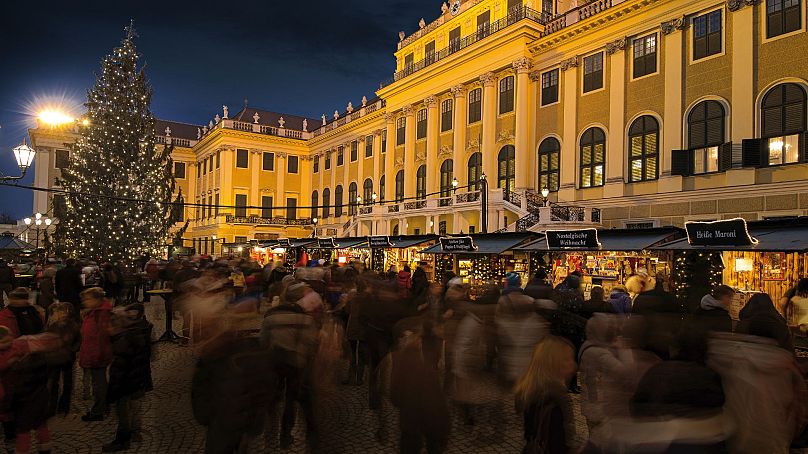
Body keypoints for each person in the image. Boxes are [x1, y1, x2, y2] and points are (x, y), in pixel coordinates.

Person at [260, 281, 321, 448]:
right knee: (291, 400)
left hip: (274, 362)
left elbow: (263, 341)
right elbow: (311, 343)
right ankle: (286, 434)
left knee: (273, 397)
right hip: (296, 364)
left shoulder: (271, 316)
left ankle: (270, 431)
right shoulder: (305, 319)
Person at [390, 320, 450, 454]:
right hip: (426, 420)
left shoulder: (398, 360)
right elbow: (436, 397)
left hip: (410, 421)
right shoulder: (420, 364)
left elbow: (394, 396)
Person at [102, 303, 153, 452]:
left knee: (124, 414)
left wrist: (112, 394)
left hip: (127, 386)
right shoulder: (134, 335)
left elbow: (119, 373)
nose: (107, 329)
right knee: (132, 410)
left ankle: (123, 441)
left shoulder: (122, 344)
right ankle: (133, 434)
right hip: (136, 382)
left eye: (109, 326)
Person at [514, 335, 578, 454]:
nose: (573, 365)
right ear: (553, 364)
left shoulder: (533, 392)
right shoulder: (555, 401)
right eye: (567, 359)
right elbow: (558, 447)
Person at [79, 287, 113, 421]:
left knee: (99, 384)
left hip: (97, 354)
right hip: (93, 352)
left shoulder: (101, 314)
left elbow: (101, 337)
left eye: (87, 299)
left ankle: (99, 410)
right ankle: (101, 407)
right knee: (98, 382)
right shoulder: (94, 312)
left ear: (97, 300)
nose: (85, 302)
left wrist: (97, 354)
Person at [45, 302, 81, 417]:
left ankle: (63, 407)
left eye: (62, 311)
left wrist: (71, 350)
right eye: (59, 311)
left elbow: (78, 340)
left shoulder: (73, 325)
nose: (60, 314)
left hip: (67, 358)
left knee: (67, 383)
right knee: (53, 383)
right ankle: (51, 407)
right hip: (55, 358)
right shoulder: (54, 325)